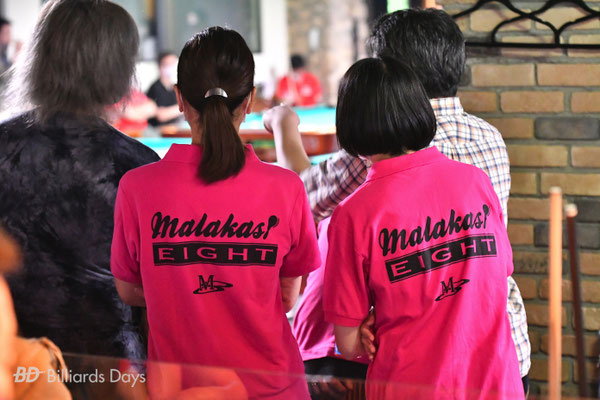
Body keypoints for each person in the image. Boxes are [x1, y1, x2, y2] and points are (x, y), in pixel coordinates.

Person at [268, 8, 531, 394]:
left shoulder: (375, 161)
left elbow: (301, 196)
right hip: (502, 354)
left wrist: (283, 128)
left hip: (415, 364)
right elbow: (501, 266)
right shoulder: (488, 138)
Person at [111, 27, 320, 399]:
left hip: (179, 391)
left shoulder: (137, 187)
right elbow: (288, 297)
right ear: (250, 100)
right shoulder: (287, 187)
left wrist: (180, 291)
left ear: (179, 98)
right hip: (274, 387)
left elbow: (129, 290)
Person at [322, 56, 523, 399]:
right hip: (497, 385)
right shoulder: (475, 181)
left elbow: (349, 344)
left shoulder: (353, 214)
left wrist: (369, 326)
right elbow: (497, 275)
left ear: (351, 124)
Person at [0, 0, 160, 360]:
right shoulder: (138, 166)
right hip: (112, 368)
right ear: (118, 69)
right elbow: (155, 297)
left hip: (14, 362)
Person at [146, 51, 183, 127]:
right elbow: (161, 115)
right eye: (169, 64)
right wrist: (184, 107)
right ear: (160, 67)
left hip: (173, 128)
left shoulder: (174, 88)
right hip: (157, 130)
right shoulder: (156, 88)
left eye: (174, 63)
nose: (173, 66)